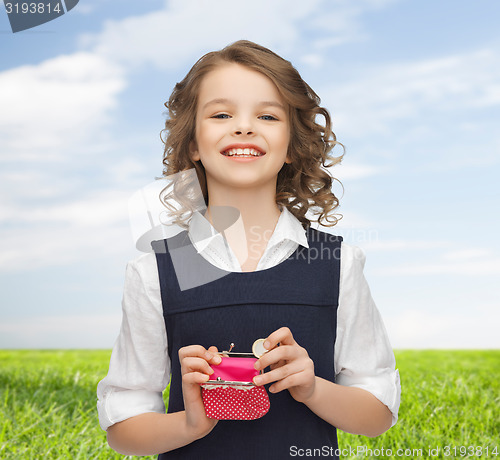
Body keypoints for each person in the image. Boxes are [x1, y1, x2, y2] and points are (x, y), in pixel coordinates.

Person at [97, 40, 401, 459]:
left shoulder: (336, 263)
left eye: (267, 115)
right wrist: (189, 423)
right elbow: (123, 430)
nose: (243, 127)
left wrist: (311, 387)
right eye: (221, 114)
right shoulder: (156, 271)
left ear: (293, 143)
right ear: (192, 143)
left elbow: (377, 414)